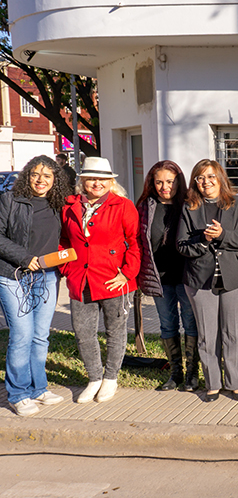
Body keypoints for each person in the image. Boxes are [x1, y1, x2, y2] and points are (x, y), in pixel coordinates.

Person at [60, 157, 140, 404]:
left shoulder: (123, 206)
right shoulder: (69, 206)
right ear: (83, 181)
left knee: (115, 331)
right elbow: (64, 241)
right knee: (83, 332)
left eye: (103, 179)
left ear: (111, 182)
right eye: (92, 179)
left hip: (114, 279)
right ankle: (94, 378)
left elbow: (135, 242)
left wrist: (127, 273)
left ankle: (111, 378)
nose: (97, 183)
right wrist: (67, 268)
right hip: (81, 280)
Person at [177, 160, 238, 403]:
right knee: (207, 335)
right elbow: (181, 245)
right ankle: (212, 383)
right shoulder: (189, 207)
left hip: (237, 277)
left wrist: (222, 235)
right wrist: (204, 240)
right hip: (200, 279)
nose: (206, 182)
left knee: (233, 333)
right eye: (200, 178)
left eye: (211, 176)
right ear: (195, 182)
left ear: (220, 178)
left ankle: (235, 383)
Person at [0, 156, 71, 416]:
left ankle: (38, 388)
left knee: (40, 335)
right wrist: (24, 258)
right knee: (22, 335)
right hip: (14, 275)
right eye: (35, 174)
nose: (41, 180)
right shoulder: (10, 200)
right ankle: (18, 394)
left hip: (47, 276)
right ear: (27, 175)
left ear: (55, 180)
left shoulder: (59, 203)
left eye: (47, 176)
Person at [136, 160, 198, 392]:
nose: (165, 187)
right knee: (167, 324)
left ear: (178, 182)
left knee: (191, 323)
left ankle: (192, 374)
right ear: (152, 183)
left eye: (170, 182)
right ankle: (175, 373)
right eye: (159, 182)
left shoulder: (190, 205)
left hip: (186, 276)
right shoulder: (145, 207)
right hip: (159, 277)